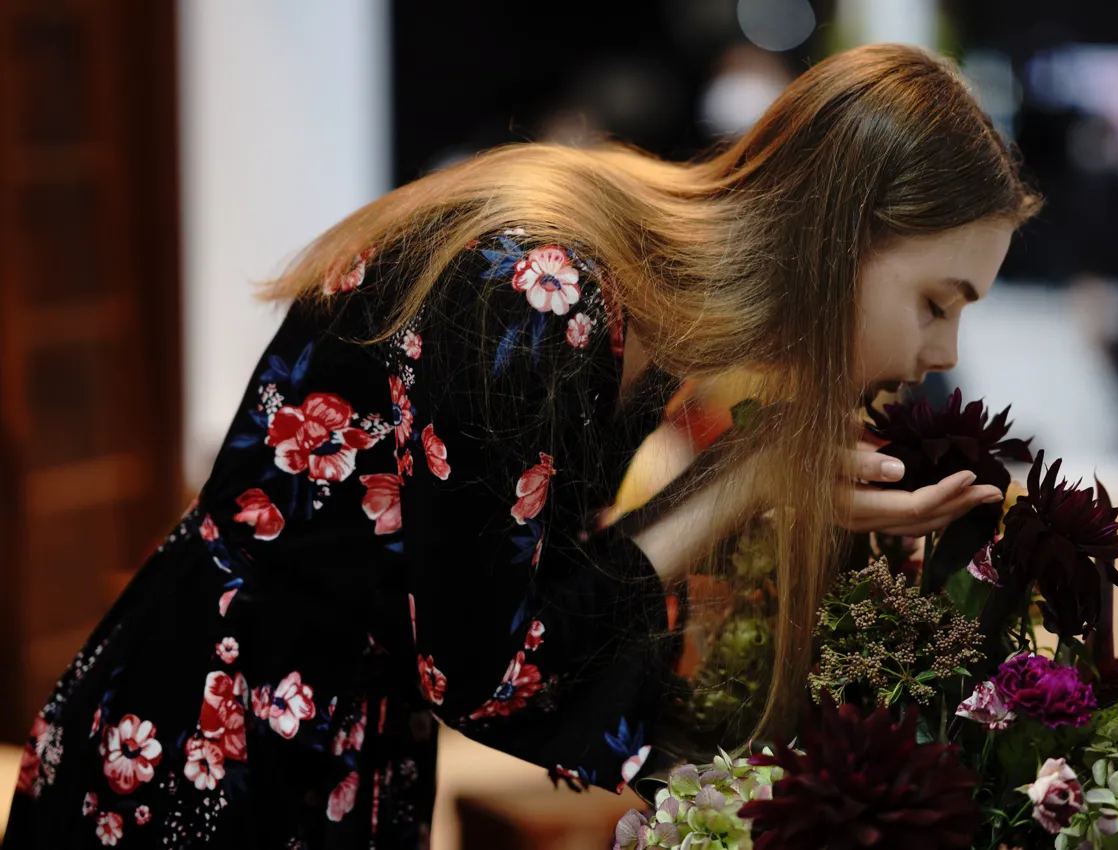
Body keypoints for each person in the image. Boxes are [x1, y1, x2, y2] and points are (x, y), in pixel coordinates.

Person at [5, 44, 1038, 848]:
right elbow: (491, 670)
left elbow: (546, 609)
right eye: (936, 300)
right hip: (210, 744)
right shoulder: (539, 291)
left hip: (341, 738)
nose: (940, 348)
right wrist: (739, 483)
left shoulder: (645, 309)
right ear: (840, 236)